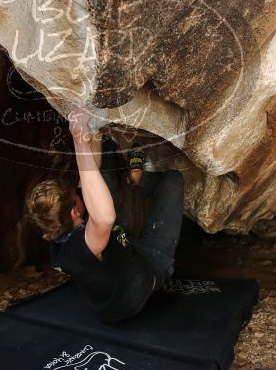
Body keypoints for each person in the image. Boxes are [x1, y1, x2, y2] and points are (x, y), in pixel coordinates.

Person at [25, 107, 185, 321]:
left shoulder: (56, 224)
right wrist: (79, 140)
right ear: (74, 212)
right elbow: (104, 218)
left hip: (126, 256)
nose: (78, 189)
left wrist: (92, 127)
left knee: (99, 180)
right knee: (173, 180)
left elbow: (92, 170)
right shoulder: (79, 249)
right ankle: (137, 180)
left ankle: (134, 179)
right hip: (148, 272)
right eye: (75, 193)